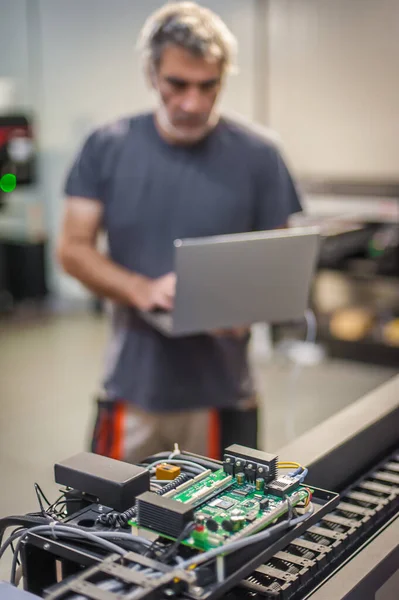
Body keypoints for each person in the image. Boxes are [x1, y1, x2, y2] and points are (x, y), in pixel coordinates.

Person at [57, 1, 302, 464]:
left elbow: (278, 263)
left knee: (223, 532)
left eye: (209, 86)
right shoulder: (106, 146)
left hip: (224, 391)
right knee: (107, 529)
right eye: (178, 84)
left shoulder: (260, 155)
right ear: (152, 74)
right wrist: (142, 289)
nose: (193, 103)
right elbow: (72, 249)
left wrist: (246, 306)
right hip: (133, 386)